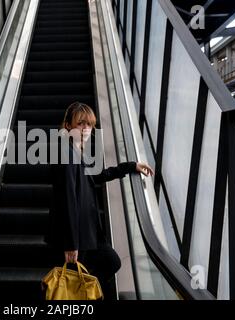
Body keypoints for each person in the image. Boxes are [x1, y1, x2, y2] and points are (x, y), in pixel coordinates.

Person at [46, 102, 154, 299]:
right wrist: (71, 243)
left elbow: (98, 175)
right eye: (81, 124)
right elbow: (67, 199)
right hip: (76, 236)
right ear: (68, 126)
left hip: (87, 233)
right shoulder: (65, 154)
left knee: (103, 267)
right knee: (84, 278)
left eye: (89, 124)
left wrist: (130, 167)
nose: (86, 128)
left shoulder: (76, 151)